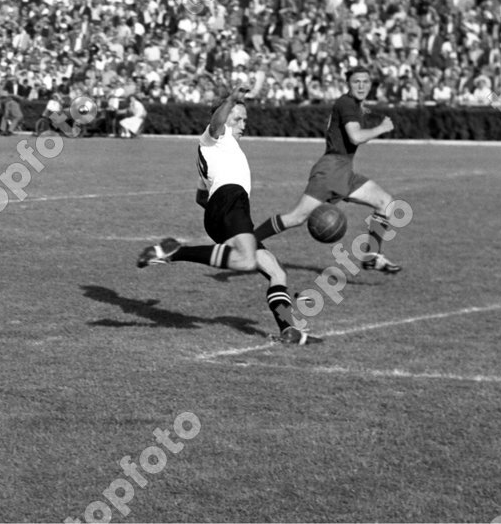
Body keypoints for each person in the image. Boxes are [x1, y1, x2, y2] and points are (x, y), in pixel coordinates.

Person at [137, 82, 317, 345]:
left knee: (276, 272)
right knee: (246, 262)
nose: (243, 124)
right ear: (224, 115)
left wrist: (221, 214)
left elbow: (201, 197)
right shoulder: (216, 137)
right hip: (230, 202)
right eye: (238, 118)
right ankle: (174, 251)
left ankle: (288, 330)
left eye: (245, 119)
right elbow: (216, 123)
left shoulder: (216, 151)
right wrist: (230, 99)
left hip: (224, 210)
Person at [252, 66, 402, 273]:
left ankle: (370, 256)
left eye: (365, 81)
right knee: (296, 217)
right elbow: (355, 137)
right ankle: (247, 242)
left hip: (343, 170)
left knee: (385, 202)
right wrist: (381, 128)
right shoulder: (347, 104)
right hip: (331, 170)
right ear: (348, 83)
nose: (361, 85)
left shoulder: (353, 105)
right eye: (356, 81)